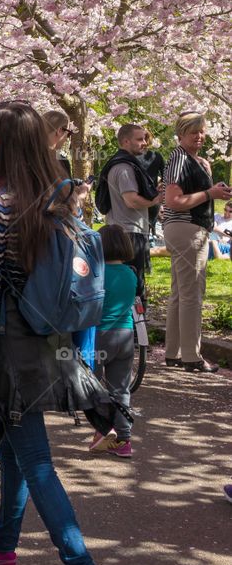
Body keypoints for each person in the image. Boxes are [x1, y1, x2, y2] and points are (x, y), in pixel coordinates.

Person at [0, 100, 118, 565]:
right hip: (51, 341)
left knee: (37, 462)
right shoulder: (60, 202)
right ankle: (2, 548)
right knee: (14, 448)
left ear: (3, 144)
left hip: (10, 348)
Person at [161, 112, 231, 372]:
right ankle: (192, 356)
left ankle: (175, 352)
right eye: (194, 132)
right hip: (186, 228)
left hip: (187, 228)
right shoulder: (179, 159)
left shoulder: (193, 160)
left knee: (180, 293)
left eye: (202, 131)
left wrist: (211, 188)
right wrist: (210, 193)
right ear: (180, 134)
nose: (200, 136)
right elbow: (173, 201)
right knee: (192, 294)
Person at [96, 124, 160, 303]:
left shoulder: (122, 163)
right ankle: (134, 329)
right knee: (135, 287)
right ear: (125, 141)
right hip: (129, 232)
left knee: (130, 285)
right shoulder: (124, 167)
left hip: (124, 230)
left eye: (145, 139)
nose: (144, 143)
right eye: (139, 139)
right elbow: (131, 200)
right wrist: (155, 200)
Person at [89, 225, 138, 457]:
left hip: (100, 334)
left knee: (94, 385)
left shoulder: (97, 273)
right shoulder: (131, 273)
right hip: (126, 335)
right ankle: (124, 439)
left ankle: (102, 429)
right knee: (121, 388)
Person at [137, 138, 165, 243]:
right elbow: (166, 174)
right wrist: (161, 185)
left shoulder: (131, 157)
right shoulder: (157, 156)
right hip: (153, 194)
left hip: (137, 194)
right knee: (149, 224)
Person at [42, 110, 74, 178]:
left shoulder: (23, 154)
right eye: (68, 133)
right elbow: (64, 188)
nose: (67, 138)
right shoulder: (61, 161)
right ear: (59, 131)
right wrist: (83, 189)